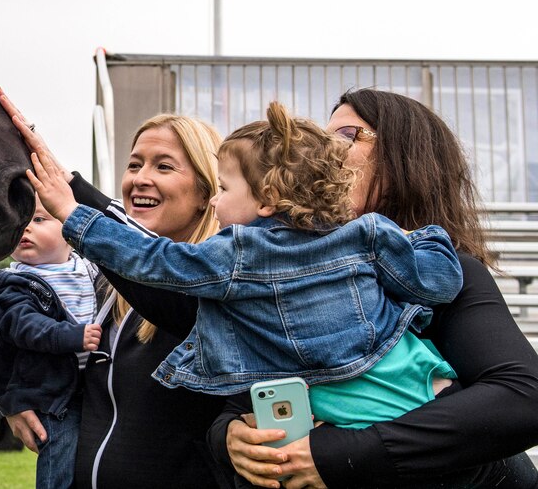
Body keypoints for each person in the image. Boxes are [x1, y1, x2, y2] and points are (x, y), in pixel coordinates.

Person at [27, 101, 464, 431]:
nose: (216, 200)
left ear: (267, 197)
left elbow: (151, 258)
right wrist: (425, 236)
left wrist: (71, 214)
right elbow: (440, 283)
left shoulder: (238, 252)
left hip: (339, 408)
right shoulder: (367, 232)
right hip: (414, 379)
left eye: (222, 188)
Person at [213, 88, 538, 489]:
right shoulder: (284, 275)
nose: (324, 152)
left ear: (405, 159)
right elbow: (243, 393)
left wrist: (340, 454)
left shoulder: (450, 272)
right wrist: (229, 436)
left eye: (346, 136)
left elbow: (522, 398)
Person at [0, 87, 234, 488]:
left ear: (205, 193)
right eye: (134, 164)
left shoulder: (221, 287)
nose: (140, 179)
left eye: (164, 167)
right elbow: (24, 334)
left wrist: (72, 199)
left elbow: (160, 282)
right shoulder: (107, 287)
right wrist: (16, 397)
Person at [0, 196, 101, 489]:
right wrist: (71, 336)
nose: (24, 229)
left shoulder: (90, 270)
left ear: (70, 228)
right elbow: (24, 326)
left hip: (93, 389)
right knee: (61, 457)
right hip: (49, 394)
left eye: (39, 220)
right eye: (17, 222)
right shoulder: (12, 285)